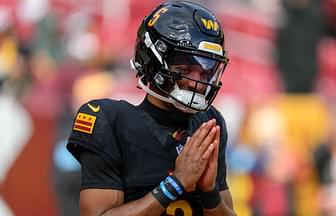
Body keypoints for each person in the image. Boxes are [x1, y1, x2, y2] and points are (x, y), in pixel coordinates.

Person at [66, 1, 236, 215]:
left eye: (205, 72)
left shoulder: (209, 123)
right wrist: (177, 183)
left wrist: (209, 192)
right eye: (185, 68)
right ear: (152, 61)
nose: (197, 83)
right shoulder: (108, 121)